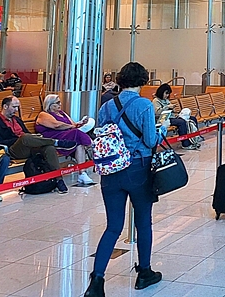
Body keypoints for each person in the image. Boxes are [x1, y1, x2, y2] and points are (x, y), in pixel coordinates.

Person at [84, 62, 164, 297]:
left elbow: (102, 136)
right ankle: (144, 273)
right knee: (143, 222)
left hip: (111, 172)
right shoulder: (144, 105)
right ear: (142, 81)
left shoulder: (106, 106)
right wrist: (161, 130)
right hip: (138, 168)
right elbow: (150, 141)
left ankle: (96, 281)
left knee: (113, 227)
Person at [0, 96, 72, 192]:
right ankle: (56, 142)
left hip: (27, 146)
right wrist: (19, 139)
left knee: (49, 148)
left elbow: (27, 133)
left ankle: (59, 180)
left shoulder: (17, 120)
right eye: (14, 107)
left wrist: (31, 139)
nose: (16, 110)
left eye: (18, 107)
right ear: (5, 106)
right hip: (12, 150)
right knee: (25, 137)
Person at [36, 94, 96, 184]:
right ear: (50, 104)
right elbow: (56, 125)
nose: (60, 104)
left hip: (68, 137)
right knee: (76, 133)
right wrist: (73, 126)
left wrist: (80, 123)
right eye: (58, 103)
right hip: (54, 140)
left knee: (79, 144)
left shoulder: (62, 113)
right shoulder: (43, 114)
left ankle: (82, 173)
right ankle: (94, 146)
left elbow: (73, 124)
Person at [151, 84, 197, 150]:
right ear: (161, 92)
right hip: (164, 119)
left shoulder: (166, 100)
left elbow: (171, 111)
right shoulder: (156, 101)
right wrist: (167, 107)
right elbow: (157, 113)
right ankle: (185, 144)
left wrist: (173, 109)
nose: (167, 95)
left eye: (168, 94)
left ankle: (195, 138)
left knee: (192, 118)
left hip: (172, 117)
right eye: (166, 93)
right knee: (181, 122)